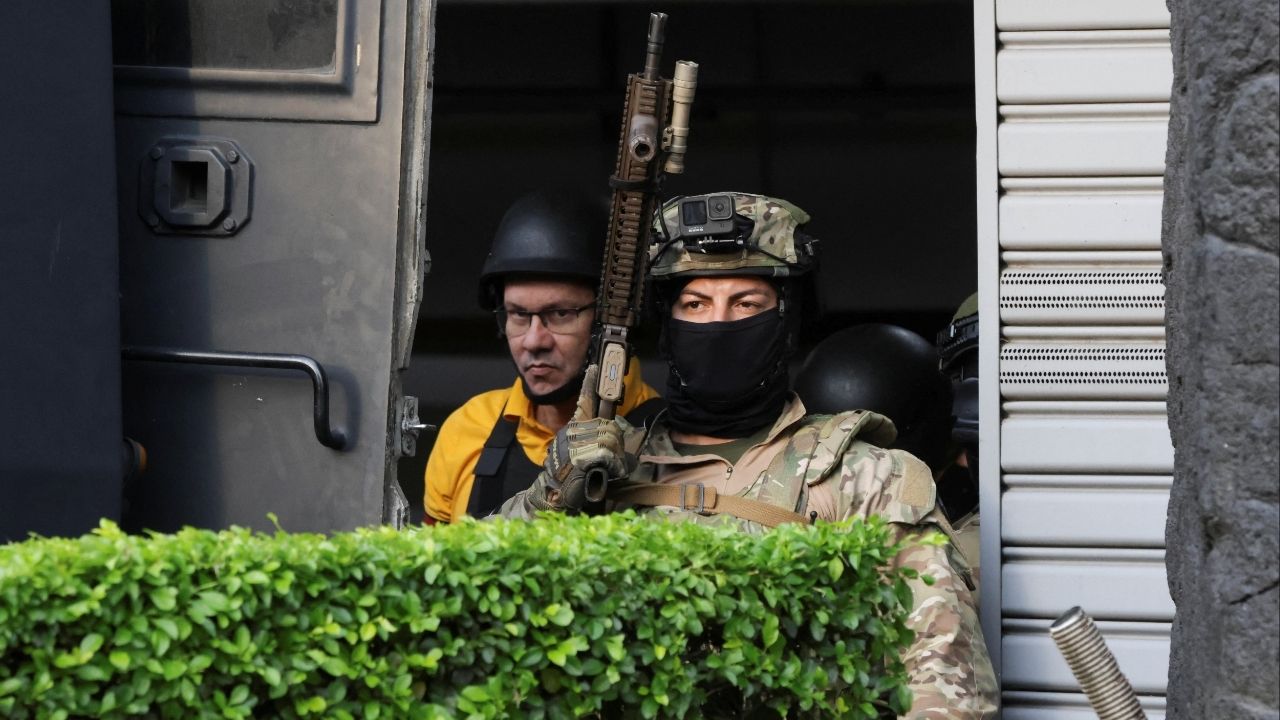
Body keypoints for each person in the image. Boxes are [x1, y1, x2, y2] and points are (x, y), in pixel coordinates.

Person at [499, 192, 998, 717]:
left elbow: (944, 685)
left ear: (785, 318)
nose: (719, 324)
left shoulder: (863, 478)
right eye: (696, 304)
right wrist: (546, 500)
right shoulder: (601, 469)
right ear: (667, 322)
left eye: (746, 304)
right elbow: (475, 613)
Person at [423, 192, 661, 523]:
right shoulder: (467, 427)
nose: (534, 341)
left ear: (606, 320)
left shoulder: (668, 440)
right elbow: (433, 568)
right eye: (518, 315)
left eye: (560, 313)